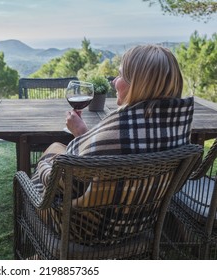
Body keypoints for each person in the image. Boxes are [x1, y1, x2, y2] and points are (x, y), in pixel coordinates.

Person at [31, 44, 194, 197]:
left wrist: (45, 165)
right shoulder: (178, 125)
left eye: (121, 75)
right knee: (58, 147)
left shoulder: (120, 130)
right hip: (146, 217)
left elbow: (66, 185)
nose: (114, 81)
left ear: (138, 84)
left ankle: (30, 200)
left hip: (84, 223)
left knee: (51, 152)